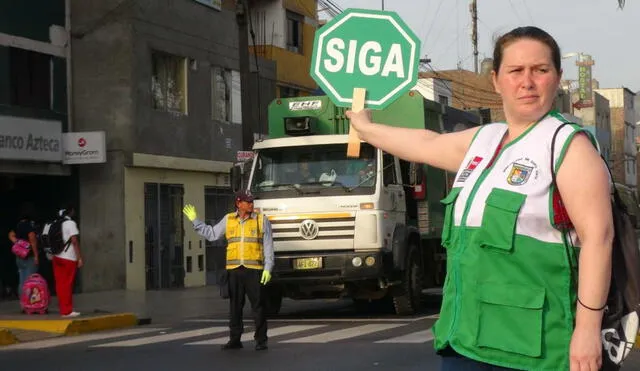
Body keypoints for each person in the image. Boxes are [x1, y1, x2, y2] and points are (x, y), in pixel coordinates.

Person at [346, 26, 612, 371]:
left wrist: (588, 331)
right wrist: (367, 129)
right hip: (467, 338)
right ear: (496, 80)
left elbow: (599, 239)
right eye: (515, 71)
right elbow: (426, 144)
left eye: (540, 70)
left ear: (557, 77)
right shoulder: (486, 141)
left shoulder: (567, 146)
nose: (527, 82)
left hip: (536, 347)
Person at [183, 191, 274, 351]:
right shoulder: (229, 219)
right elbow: (212, 234)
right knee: (235, 307)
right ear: (238, 203)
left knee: (258, 306)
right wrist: (195, 221)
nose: (251, 204)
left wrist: (268, 268)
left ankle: (261, 340)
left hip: (254, 270)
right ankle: (235, 339)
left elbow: (268, 246)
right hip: (234, 271)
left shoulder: (261, 220)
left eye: (252, 201)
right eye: (248, 202)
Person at [53, 206, 83, 318]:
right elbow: (74, 241)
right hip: (68, 257)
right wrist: (79, 257)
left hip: (56, 256)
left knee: (60, 284)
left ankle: (63, 309)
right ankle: (67, 311)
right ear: (70, 212)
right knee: (67, 284)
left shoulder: (57, 222)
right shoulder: (70, 223)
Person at [9, 215, 40, 298]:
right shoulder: (28, 225)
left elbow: (11, 235)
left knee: (22, 281)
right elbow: (32, 239)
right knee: (31, 280)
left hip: (19, 257)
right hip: (29, 257)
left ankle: (23, 303)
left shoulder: (17, 225)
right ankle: (30, 303)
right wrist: (36, 256)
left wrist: (19, 243)